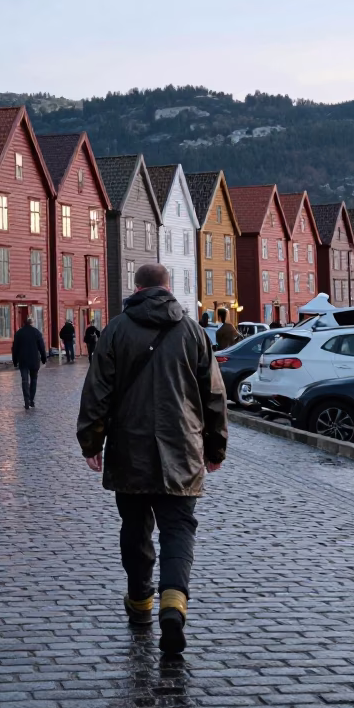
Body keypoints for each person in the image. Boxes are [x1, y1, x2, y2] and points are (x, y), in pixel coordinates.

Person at [76, 262, 227, 655]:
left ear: (137, 287)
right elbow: (213, 395)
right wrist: (215, 447)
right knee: (179, 529)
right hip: (183, 447)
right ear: (168, 287)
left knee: (135, 526)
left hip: (129, 447)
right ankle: (173, 604)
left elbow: (97, 392)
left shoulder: (115, 331)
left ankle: (140, 601)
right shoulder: (192, 331)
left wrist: (92, 442)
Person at [12, 316, 47, 410]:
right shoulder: (36, 332)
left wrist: (14, 360)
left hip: (23, 360)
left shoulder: (19, 333)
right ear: (32, 323)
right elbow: (42, 347)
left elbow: (15, 348)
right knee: (34, 380)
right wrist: (44, 358)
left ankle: (26, 401)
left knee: (24, 380)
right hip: (34, 359)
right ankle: (31, 400)